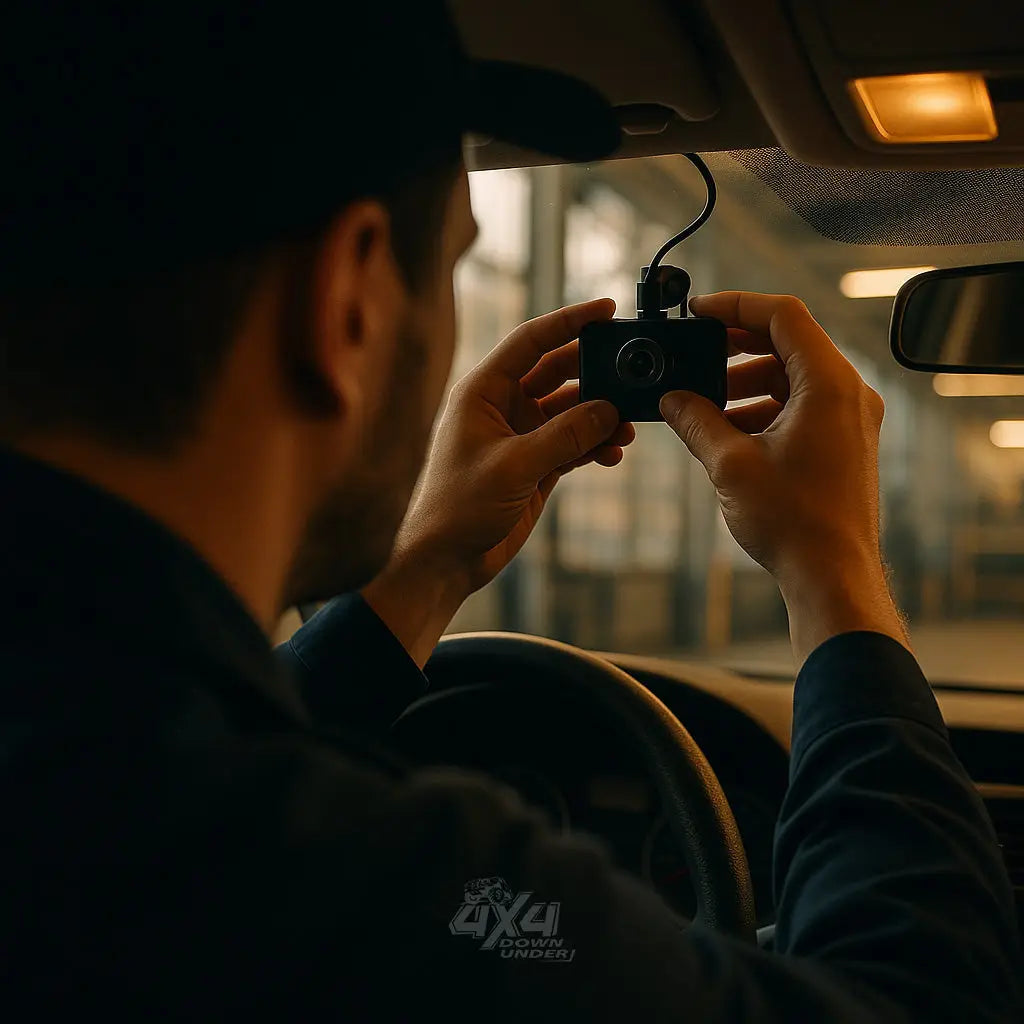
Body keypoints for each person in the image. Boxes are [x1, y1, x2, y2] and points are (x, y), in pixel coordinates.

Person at [0, 2, 1020, 1021]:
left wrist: (427, 568)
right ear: (347, 298)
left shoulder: (114, 791)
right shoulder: (378, 890)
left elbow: (174, 768)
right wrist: (835, 570)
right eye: (453, 265)